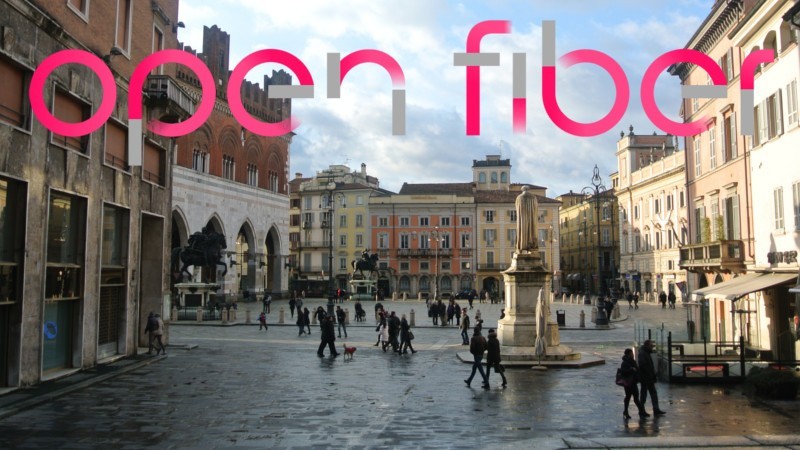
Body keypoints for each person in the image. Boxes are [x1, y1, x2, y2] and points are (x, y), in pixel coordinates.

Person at [638, 340, 666, 415]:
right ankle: (642, 410)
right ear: (647, 346)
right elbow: (642, 365)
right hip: (646, 378)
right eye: (651, 346)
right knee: (644, 394)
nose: (652, 347)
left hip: (648, 377)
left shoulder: (645, 352)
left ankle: (655, 409)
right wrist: (649, 373)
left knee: (652, 393)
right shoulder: (643, 353)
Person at [619, 348, 648, 419]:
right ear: (628, 354)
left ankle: (641, 411)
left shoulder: (632, 361)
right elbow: (623, 371)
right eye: (631, 353)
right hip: (628, 383)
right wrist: (631, 369)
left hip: (633, 382)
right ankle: (627, 411)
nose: (633, 354)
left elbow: (637, 369)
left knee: (635, 398)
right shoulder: (625, 363)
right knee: (629, 397)